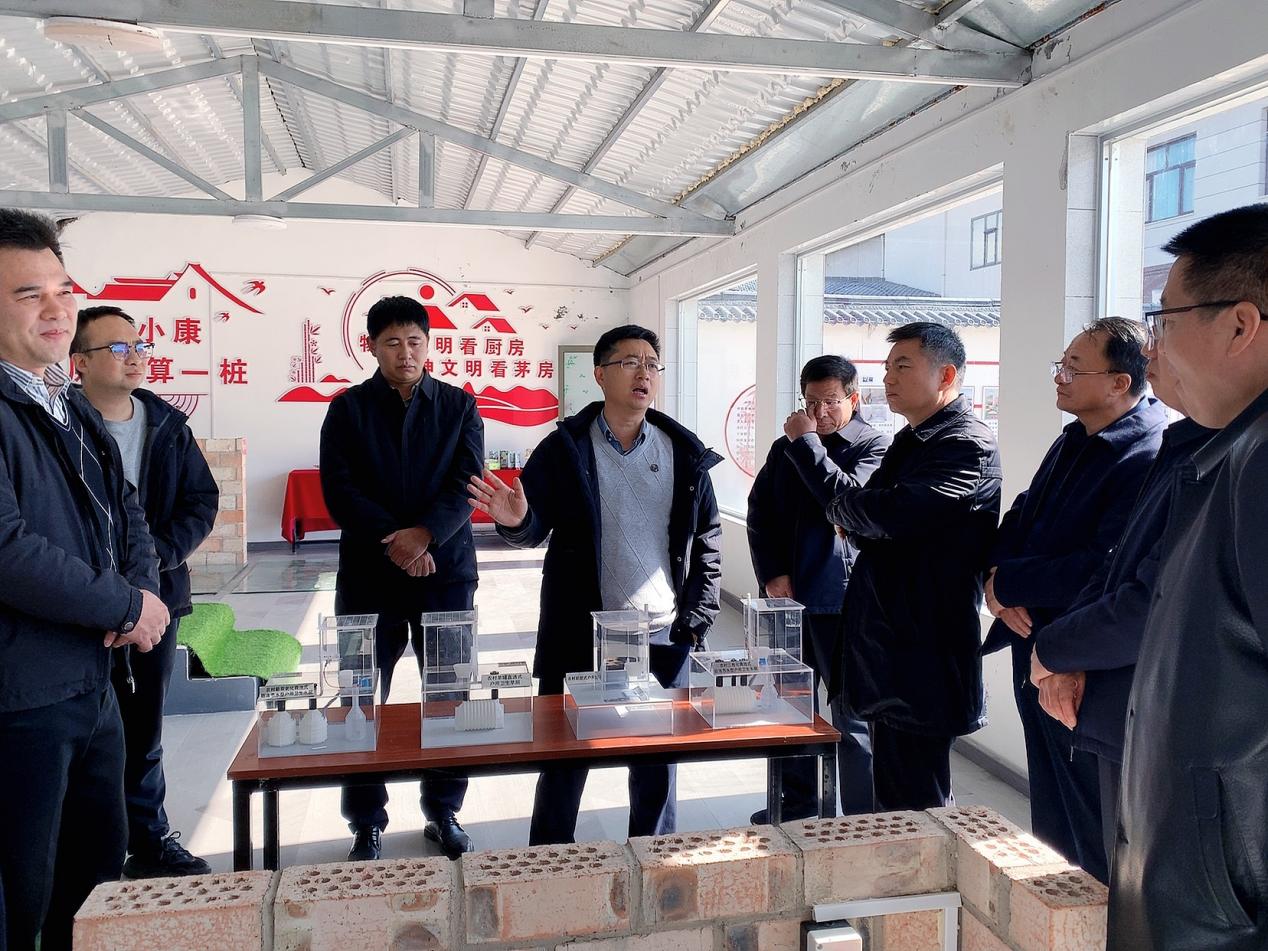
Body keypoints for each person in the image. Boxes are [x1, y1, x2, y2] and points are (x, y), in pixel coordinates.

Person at [469, 324, 721, 845]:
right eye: (630, 362)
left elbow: (708, 538)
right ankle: (548, 861)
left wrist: (696, 620)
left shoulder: (683, 451)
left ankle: (653, 861)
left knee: (657, 764)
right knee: (563, 759)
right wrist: (516, 522)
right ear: (600, 374)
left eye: (651, 363)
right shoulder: (564, 448)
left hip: (660, 635)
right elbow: (531, 527)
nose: (644, 373)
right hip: (579, 632)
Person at [0, 209, 168, 950]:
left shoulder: (64, 399)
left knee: (95, 873)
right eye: (28, 294)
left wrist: (140, 592)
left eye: (63, 290)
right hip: (22, 695)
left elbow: (126, 509)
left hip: (92, 683)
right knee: (21, 888)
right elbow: (8, 550)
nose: (57, 308)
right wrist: (124, 605)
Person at [1109, 204, 1268, 950]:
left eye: (1165, 320)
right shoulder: (1232, 452)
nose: (1157, 345)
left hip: (1229, 905)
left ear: (1239, 325)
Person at [980, 318, 1166, 884]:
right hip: (1034, 641)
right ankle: (1052, 912)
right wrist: (995, 582)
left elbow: (1101, 566)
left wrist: (1012, 585)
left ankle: (1089, 919)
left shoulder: (1144, 454)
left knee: (1091, 826)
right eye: (1060, 365)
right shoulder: (1074, 439)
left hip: (1083, 662)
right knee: (1051, 812)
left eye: (1072, 368)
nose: (1059, 377)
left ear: (1119, 382)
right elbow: (1022, 514)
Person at [788, 322, 1000, 812]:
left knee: (918, 805)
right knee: (895, 795)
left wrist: (811, 454)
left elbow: (881, 515)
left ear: (946, 375)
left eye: (902, 366)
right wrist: (860, 516)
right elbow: (864, 523)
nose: (888, 378)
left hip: (924, 652)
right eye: (886, 368)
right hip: (890, 644)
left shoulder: (965, 443)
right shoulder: (913, 440)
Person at [1029, 331, 1212, 880]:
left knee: (1116, 867)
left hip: (1132, 688)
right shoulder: (1176, 442)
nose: (1155, 352)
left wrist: (1059, 648)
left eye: (1168, 331)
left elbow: (1146, 596)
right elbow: (1112, 563)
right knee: (1061, 842)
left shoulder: (1164, 450)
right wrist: (1001, 582)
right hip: (1071, 654)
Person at [320, 295, 484, 861]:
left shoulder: (459, 406)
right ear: (371, 347)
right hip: (370, 575)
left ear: (429, 345)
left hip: (446, 572)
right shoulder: (347, 409)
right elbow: (339, 488)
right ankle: (365, 821)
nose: (405, 352)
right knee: (360, 694)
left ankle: (444, 810)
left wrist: (426, 535)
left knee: (449, 693)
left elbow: (468, 481)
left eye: (415, 341)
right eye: (392, 342)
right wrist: (397, 540)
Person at [69, 305, 219, 878]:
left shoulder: (167, 425)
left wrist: (151, 563)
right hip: (79, 605)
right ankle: (88, 852)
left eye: (139, 347)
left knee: (143, 728)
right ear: (80, 362)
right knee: (81, 734)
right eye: (118, 348)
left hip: (158, 603)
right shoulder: (58, 425)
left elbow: (200, 502)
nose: (135, 357)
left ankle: (150, 841)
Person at [746, 354, 890, 820]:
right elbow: (760, 512)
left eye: (830, 401)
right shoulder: (784, 447)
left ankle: (863, 817)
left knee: (851, 714)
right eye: (810, 402)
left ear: (854, 398)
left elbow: (847, 503)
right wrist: (771, 572)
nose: (819, 412)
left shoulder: (875, 446)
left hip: (842, 601)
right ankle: (798, 802)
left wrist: (807, 442)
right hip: (787, 602)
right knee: (787, 706)